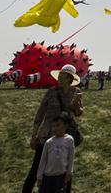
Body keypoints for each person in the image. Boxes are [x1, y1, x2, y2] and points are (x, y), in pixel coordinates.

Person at [23, 64, 83, 193]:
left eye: (63, 75)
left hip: (65, 137)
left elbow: (78, 113)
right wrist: (34, 136)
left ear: (69, 78)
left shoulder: (76, 92)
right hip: (46, 135)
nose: (60, 77)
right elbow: (40, 113)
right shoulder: (51, 91)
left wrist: (77, 105)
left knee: (66, 168)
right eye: (60, 74)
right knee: (37, 168)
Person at [37, 113, 76, 193]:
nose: (55, 128)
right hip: (47, 177)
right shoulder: (49, 142)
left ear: (65, 126)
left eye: (58, 125)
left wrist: (69, 172)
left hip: (61, 176)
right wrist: (39, 176)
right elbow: (43, 160)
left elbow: (71, 157)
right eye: (53, 126)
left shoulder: (69, 140)